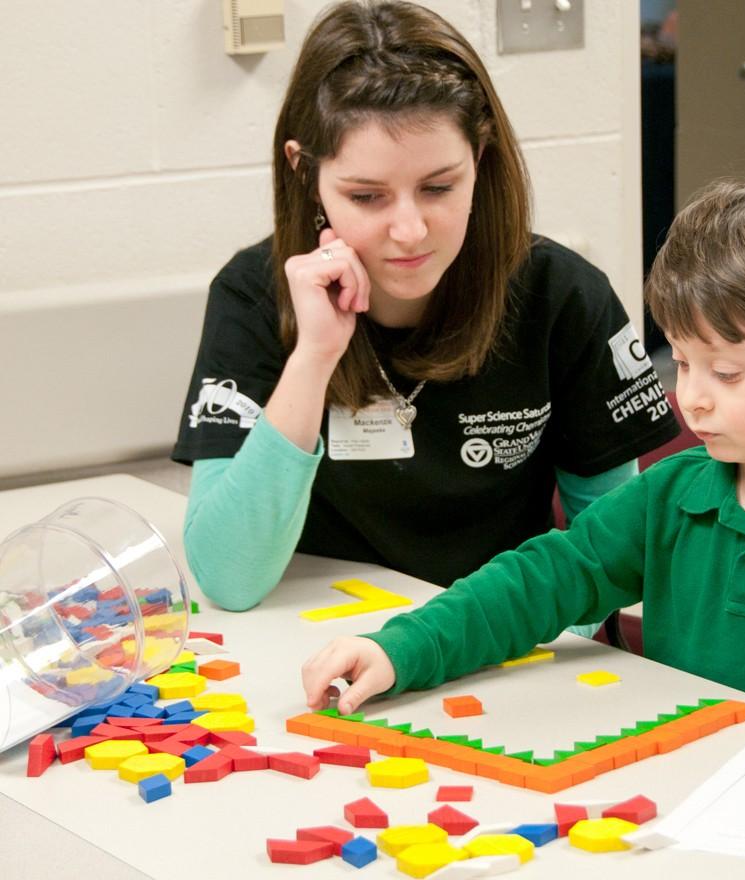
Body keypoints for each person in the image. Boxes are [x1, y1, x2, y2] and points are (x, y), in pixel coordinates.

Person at [300, 162, 745, 757]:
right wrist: (404, 648)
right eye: (683, 362)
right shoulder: (669, 498)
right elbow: (542, 580)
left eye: (725, 374)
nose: (688, 399)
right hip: (680, 809)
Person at [172, 1, 679, 611]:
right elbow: (230, 578)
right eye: (367, 196)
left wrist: (455, 643)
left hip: (498, 635)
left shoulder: (561, 294)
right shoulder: (252, 294)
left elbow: (616, 558)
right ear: (305, 171)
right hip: (317, 646)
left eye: (439, 187)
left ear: (481, 160)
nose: (409, 230)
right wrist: (314, 358)